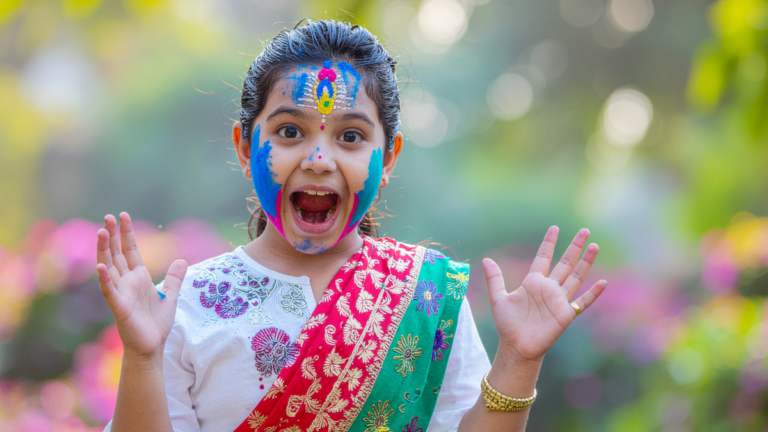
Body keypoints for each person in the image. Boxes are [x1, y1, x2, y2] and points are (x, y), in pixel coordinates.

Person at [95, 20, 607, 432]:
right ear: (245, 147)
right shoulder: (185, 307)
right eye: (290, 131)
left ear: (389, 157)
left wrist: (518, 359)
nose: (319, 160)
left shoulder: (427, 296)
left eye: (351, 137)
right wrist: (142, 358)